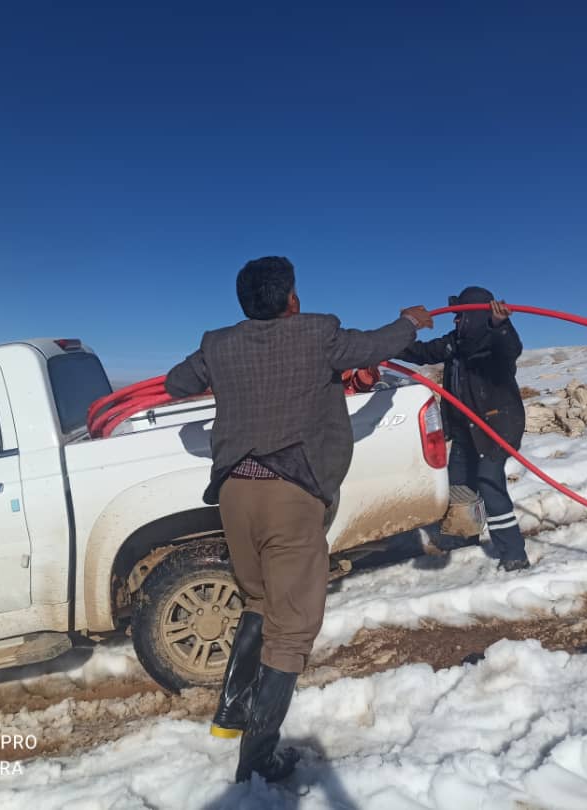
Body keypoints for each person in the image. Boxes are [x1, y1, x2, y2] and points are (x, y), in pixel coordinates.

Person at [164, 256, 433, 783]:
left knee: (259, 600)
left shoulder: (218, 343)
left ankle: (231, 716)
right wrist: (412, 322)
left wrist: (224, 366)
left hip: (235, 494)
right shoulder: (318, 333)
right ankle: (257, 763)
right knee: (291, 630)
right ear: (291, 300)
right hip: (290, 492)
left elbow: (176, 383)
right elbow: (375, 345)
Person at [396, 285, 530, 571]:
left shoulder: (495, 342)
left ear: (475, 317)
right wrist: (399, 333)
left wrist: (500, 324)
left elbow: (510, 348)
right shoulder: (455, 343)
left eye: (460, 316)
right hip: (465, 429)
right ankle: (462, 540)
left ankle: (513, 553)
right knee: (458, 484)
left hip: (496, 427)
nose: (455, 320)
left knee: (489, 484)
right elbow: (421, 352)